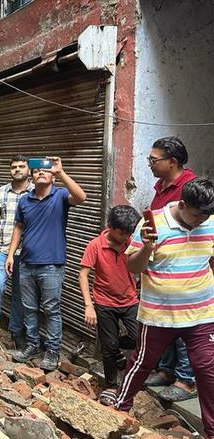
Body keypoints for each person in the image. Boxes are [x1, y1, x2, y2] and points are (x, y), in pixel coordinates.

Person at [115, 178, 214, 437]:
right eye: (196, 215)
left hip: (203, 313)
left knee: (207, 370)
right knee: (142, 363)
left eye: (206, 216)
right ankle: (120, 408)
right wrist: (147, 246)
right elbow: (133, 268)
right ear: (182, 204)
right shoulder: (152, 223)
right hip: (159, 314)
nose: (201, 221)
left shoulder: (209, 221)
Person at [7, 156, 87, 371]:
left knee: (51, 309)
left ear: (52, 177)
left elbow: (81, 197)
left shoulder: (60, 196)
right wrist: (10, 255)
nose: (40, 173)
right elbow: (18, 228)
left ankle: (52, 350)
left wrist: (61, 172)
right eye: (36, 171)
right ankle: (32, 345)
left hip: (51, 265)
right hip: (26, 264)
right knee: (29, 308)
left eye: (45, 171)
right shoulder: (25, 200)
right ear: (32, 176)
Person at [144, 136, 199, 402]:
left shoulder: (191, 188)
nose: (150, 164)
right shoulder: (161, 185)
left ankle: (186, 379)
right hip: (160, 265)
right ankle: (166, 370)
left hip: (184, 268)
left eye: (154, 160)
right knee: (164, 321)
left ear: (172, 162)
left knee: (183, 325)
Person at [79, 205, 141, 406]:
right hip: (104, 302)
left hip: (130, 300)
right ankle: (111, 386)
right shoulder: (95, 245)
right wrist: (89, 305)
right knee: (109, 347)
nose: (125, 237)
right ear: (111, 227)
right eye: (122, 232)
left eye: (129, 233)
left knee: (137, 338)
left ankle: (112, 347)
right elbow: (83, 274)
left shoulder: (131, 243)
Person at [0, 156, 34, 349]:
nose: (17, 169)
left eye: (21, 166)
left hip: (25, 253)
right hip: (1, 248)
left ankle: (16, 332)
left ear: (29, 170)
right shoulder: (1, 192)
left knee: (19, 294)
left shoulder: (35, 192)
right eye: (13, 167)